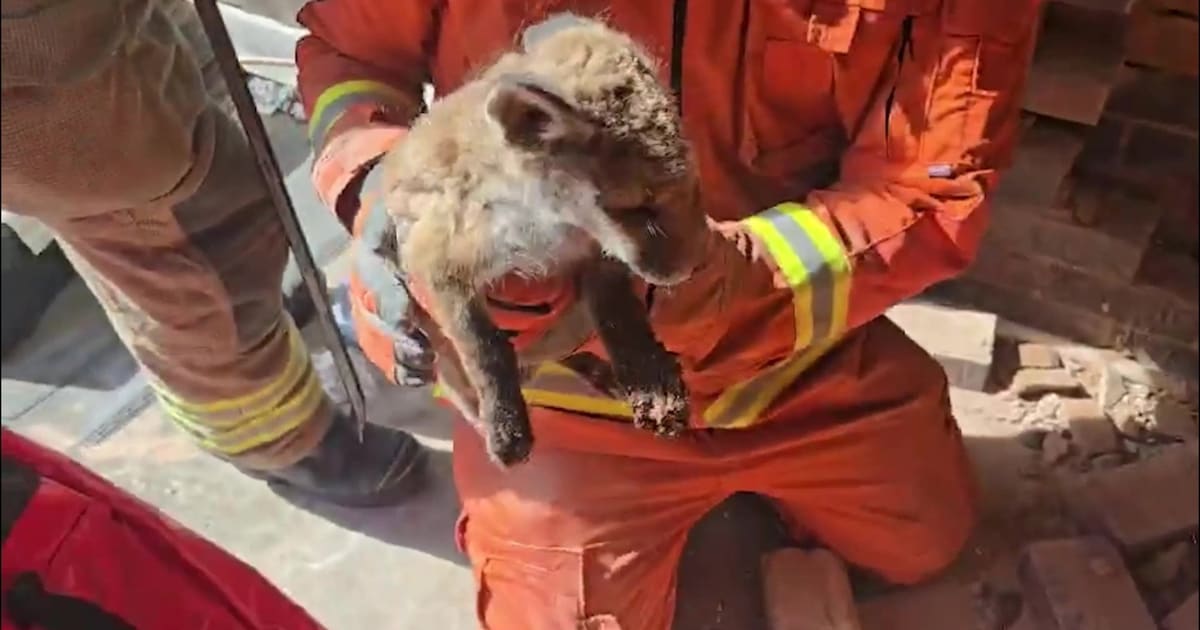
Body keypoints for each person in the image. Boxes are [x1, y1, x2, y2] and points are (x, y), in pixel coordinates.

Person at [296, 0, 1039, 627]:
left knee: (925, 542)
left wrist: (735, 280)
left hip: (794, 358)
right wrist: (377, 182)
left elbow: (931, 186)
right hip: (569, 393)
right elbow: (352, 54)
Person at [0, 0, 427, 507]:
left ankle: (267, 319)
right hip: (63, 102)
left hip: (97, 52)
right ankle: (279, 441)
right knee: (202, 270)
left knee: (217, 180)